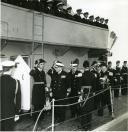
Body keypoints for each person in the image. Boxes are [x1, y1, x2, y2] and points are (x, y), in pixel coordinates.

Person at [1, 60, 21, 131]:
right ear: (12, 69)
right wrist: (17, 112)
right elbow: (18, 99)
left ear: (3, 69)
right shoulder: (16, 82)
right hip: (10, 113)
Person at [79, 60, 95, 131]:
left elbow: (79, 85)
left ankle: (84, 125)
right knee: (89, 109)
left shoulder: (81, 74)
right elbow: (94, 84)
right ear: (89, 66)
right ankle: (89, 124)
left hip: (84, 93)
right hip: (90, 93)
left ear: (83, 66)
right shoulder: (92, 74)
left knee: (83, 109)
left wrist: (80, 94)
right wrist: (93, 91)